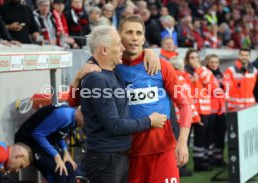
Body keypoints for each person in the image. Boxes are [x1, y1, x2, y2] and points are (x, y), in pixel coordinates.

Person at [80, 25, 167, 183]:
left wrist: (148, 51)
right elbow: (114, 125)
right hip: (105, 159)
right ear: (105, 50)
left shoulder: (111, 72)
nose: (122, 48)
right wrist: (149, 121)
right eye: (118, 44)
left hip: (114, 157)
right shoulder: (97, 79)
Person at [115, 15, 191, 183]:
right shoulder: (111, 67)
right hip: (127, 153)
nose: (134, 37)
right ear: (119, 36)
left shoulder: (162, 65)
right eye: (129, 32)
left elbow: (184, 104)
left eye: (138, 33)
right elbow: (75, 101)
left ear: (144, 38)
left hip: (163, 150)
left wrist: (183, 141)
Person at [15, 104, 84, 183]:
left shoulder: (75, 120)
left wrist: (65, 151)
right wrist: (56, 155)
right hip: (27, 140)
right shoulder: (64, 115)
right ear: (82, 113)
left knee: (70, 167)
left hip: (43, 139)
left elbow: (58, 134)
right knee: (58, 171)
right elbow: (37, 134)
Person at [184, 48, 217, 171]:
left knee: (201, 139)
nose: (195, 60)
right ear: (187, 60)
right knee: (185, 140)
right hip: (188, 111)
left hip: (203, 111)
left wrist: (199, 69)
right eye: (192, 58)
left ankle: (200, 164)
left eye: (197, 58)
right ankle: (182, 166)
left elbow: (214, 88)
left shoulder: (204, 71)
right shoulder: (184, 72)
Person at [204, 54, 227, 167]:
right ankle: (209, 159)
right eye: (212, 62)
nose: (214, 64)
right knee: (210, 137)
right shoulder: (205, 75)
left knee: (220, 136)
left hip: (220, 110)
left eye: (216, 62)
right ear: (207, 63)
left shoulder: (220, 75)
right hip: (210, 110)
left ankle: (219, 158)